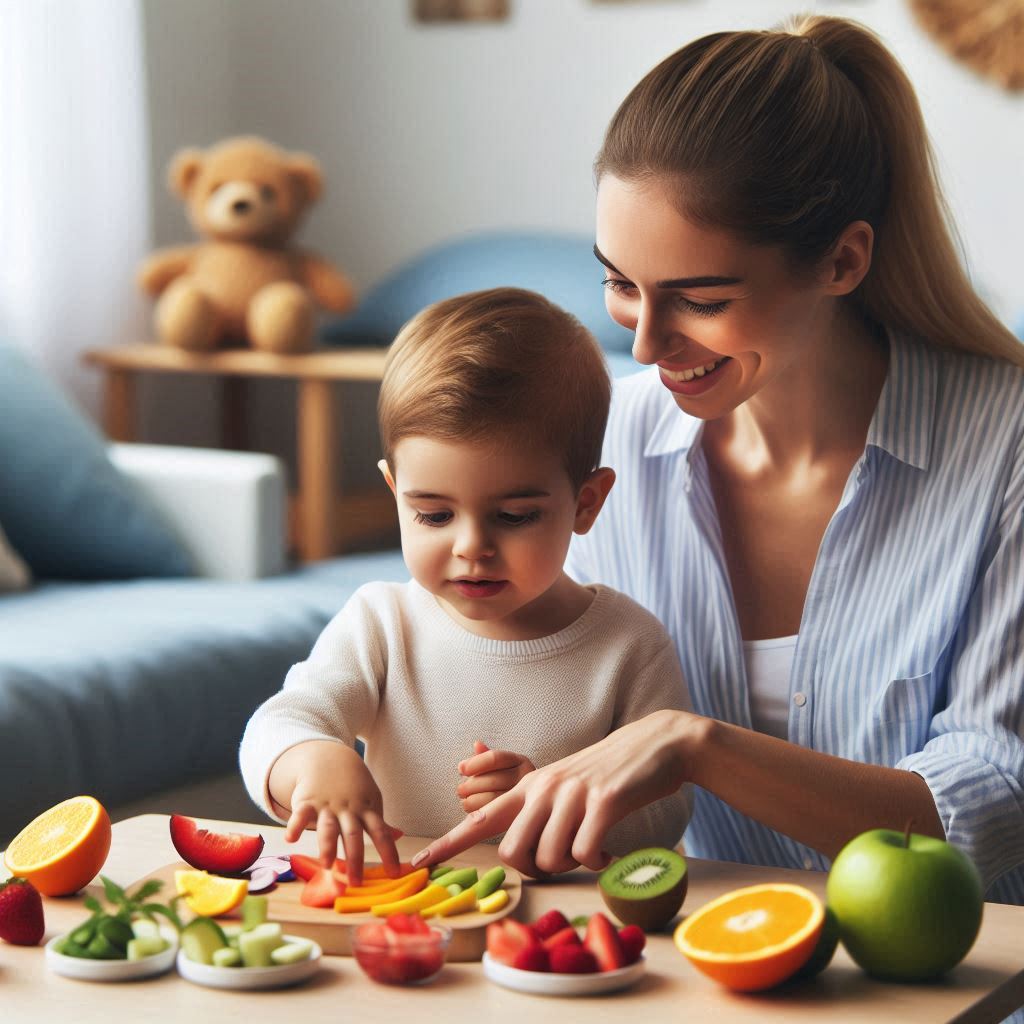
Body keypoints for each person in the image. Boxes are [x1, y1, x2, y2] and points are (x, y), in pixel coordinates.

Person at [413, 13, 1024, 910]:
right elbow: (548, 685)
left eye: (698, 298)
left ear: (843, 260)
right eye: (620, 284)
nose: (649, 343)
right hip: (692, 968)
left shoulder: (1005, 447)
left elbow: (996, 800)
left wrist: (700, 746)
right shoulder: (604, 445)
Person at [239, 287, 693, 882]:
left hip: (560, 924)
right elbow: (278, 724)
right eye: (433, 515)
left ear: (586, 503)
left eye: (514, 516)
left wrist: (555, 800)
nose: (470, 547)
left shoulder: (629, 644)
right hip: (407, 916)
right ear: (394, 493)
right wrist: (310, 760)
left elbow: (668, 809)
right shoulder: (381, 623)